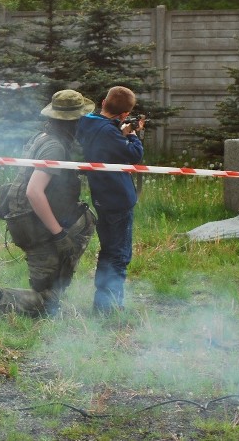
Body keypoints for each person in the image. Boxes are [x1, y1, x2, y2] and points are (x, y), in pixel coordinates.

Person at [0, 90, 97, 319]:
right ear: (73, 121)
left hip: (30, 224)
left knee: (50, 296)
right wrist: (59, 235)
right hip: (39, 229)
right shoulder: (54, 147)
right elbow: (34, 191)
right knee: (48, 303)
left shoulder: (42, 138)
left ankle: (4, 296)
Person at [75, 85, 145, 314]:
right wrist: (133, 135)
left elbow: (106, 144)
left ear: (104, 102)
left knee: (109, 250)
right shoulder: (108, 131)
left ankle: (102, 302)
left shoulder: (88, 123)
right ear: (125, 114)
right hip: (118, 199)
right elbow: (134, 155)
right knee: (119, 255)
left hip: (103, 196)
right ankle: (110, 307)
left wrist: (120, 131)